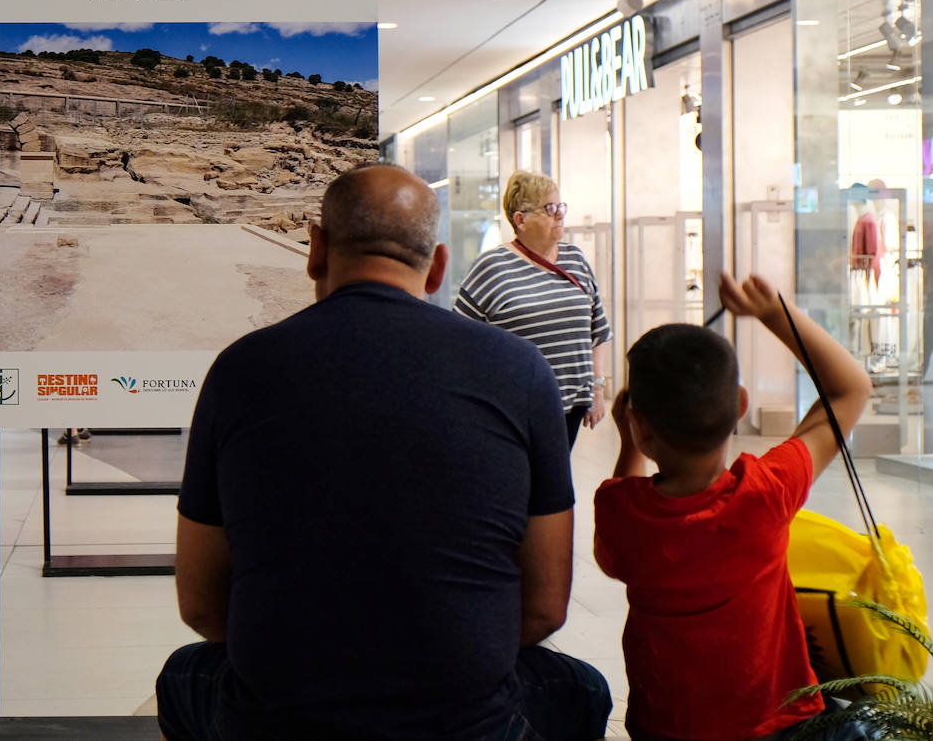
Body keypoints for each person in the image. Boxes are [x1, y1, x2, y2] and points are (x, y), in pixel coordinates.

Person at [157, 163, 610, 741]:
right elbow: (546, 608)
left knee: (182, 675)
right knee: (584, 690)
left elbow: (199, 605)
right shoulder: (521, 374)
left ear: (316, 250)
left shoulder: (241, 370)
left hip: (279, 719)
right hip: (466, 723)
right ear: (438, 267)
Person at [594, 272, 873, 741]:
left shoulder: (621, 510)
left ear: (637, 424)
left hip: (665, 727)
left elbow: (614, 545)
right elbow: (851, 389)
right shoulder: (766, 491)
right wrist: (772, 313)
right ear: (740, 404)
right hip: (775, 725)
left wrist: (630, 448)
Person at [455, 170, 611, 449]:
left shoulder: (575, 259)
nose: (559, 215)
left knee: (555, 483)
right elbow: (459, 341)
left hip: (572, 404)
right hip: (515, 407)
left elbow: (597, 329)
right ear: (520, 219)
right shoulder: (491, 268)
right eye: (549, 209)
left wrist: (597, 389)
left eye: (560, 207)